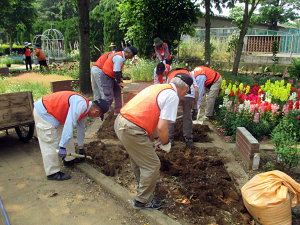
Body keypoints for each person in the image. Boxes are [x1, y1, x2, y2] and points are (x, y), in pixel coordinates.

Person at [114, 73, 193, 210]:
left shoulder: (160, 87)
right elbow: (163, 127)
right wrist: (165, 144)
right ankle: (142, 201)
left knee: (138, 158)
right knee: (152, 165)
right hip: (132, 128)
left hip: (122, 123)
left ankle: (141, 184)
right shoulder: (172, 96)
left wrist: (156, 139)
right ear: (186, 88)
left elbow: (156, 120)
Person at [33, 91, 110, 181]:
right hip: (44, 111)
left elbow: (81, 129)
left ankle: (69, 160)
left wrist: (81, 148)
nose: (95, 117)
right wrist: (62, 146)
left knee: (67, 136)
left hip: (56, 113)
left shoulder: (85, 110)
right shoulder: (80, 105)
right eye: (98, 116)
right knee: (49, 140)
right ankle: (52, 172)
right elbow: (69, 124)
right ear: (97, 112)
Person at [101, 46, 138, 115]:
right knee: (109, 96)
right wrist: (119, 82)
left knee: (118, 91)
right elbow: (117, 71)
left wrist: (121, 80)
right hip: (106, 76)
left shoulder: (122, 57)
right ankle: (101, 112)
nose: (132, 57)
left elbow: (119, 71)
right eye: (132, 55)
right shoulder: (119, 58)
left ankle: (118, 111)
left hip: (111, 76)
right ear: (128, 53)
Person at [167, 68, 199, 146]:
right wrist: (195, 106)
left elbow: (168, 88)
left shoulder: (171, 75)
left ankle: (169, 139)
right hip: (189, 95)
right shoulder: (190, 74)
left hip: (174, 93)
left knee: (170, 115)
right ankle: (188, 138)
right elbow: (197, 90)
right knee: (187, 115)